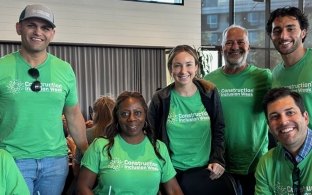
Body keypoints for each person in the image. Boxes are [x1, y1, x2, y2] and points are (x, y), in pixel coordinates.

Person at [0, 4, 88, 195]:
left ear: (52, 34)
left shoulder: (64, 70)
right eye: (31, 25)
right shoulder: (2, 67)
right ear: (18, 28)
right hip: (12, 159)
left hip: (55, 162)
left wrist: (84, 151)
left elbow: (72, 114)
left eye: (45, 28)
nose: (38, 32)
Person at [148, 45, 237, 195]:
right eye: (177, 65)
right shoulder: (160, 99)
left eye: (189, 65)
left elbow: (219, 129)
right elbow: (151, 137)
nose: (183, 71)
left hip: (206, 172)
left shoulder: (210, 93)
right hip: (173, 174)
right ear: (171, 69)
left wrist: (218, 160)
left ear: (196, 67)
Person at [204, 25, 272, 195]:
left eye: (241, 42)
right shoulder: (208, 81)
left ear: (249, 46)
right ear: (221, 48)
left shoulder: (264, 77)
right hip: (220, 165)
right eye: (229, 43)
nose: (235, 47)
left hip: (257, 166)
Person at [77, 91, 183, 195]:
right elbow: (83, 187)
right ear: (117, 117)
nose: (131, 118)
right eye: (125, 114)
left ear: (145, 115)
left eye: (137, 113)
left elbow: (173, 190)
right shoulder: (100, 146)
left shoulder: (159, 147)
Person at [255, 87, 312, 194]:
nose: (283, 122)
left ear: (305, 118)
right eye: (275, 117)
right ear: (269, 126)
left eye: (290, 112)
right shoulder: (266, 164)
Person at [266, 6, 312, 131]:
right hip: (291, 148)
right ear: (271, 36)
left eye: (290, 29)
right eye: (277, 30)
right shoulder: (275, 74)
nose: (283, 36)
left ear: (303, 32)